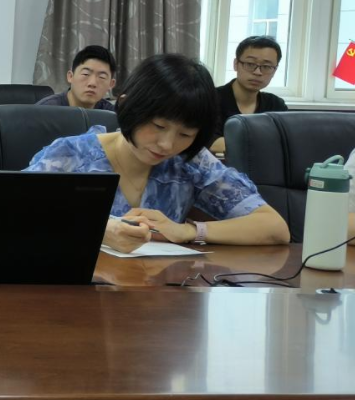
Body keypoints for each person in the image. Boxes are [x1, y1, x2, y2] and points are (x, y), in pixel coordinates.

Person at [25, 53, 289, 253]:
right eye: (158, 126)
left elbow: (274, 228)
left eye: (185, 134)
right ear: (127, 106)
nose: (167, 145)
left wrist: (188, 231)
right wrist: (99, 231)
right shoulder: (71, 155)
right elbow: (12, 215)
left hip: (158, 296)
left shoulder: (190, 161)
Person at [211, 36, 288, 154]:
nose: (258, 72)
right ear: (236, 64)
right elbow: (211, 142)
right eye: (250, 64)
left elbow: (286, 142)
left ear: (275, 71)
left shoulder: (276, 105)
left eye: (266, 67)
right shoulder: (211, 99)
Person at [36, 45, 117, 111]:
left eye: (102, 77)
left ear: (111, 84)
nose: (92, 83)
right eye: (85, 74)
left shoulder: (112, 114)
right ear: (70, 76)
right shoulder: (45, 110)